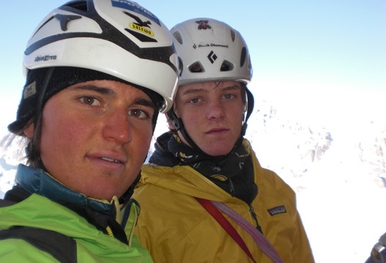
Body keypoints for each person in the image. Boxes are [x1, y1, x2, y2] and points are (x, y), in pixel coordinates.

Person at [0, 0, 179, 262]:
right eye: (90, 100)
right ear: (31, 119)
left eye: (138, 112)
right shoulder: (9, 251)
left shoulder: (116, 233)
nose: (121, 132)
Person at [133, 18, 315, 262]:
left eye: (228, 95)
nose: (216, 112)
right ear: (171, 116)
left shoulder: (276, 190)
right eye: (195, 99)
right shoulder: (143, 211)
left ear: (244, 105)